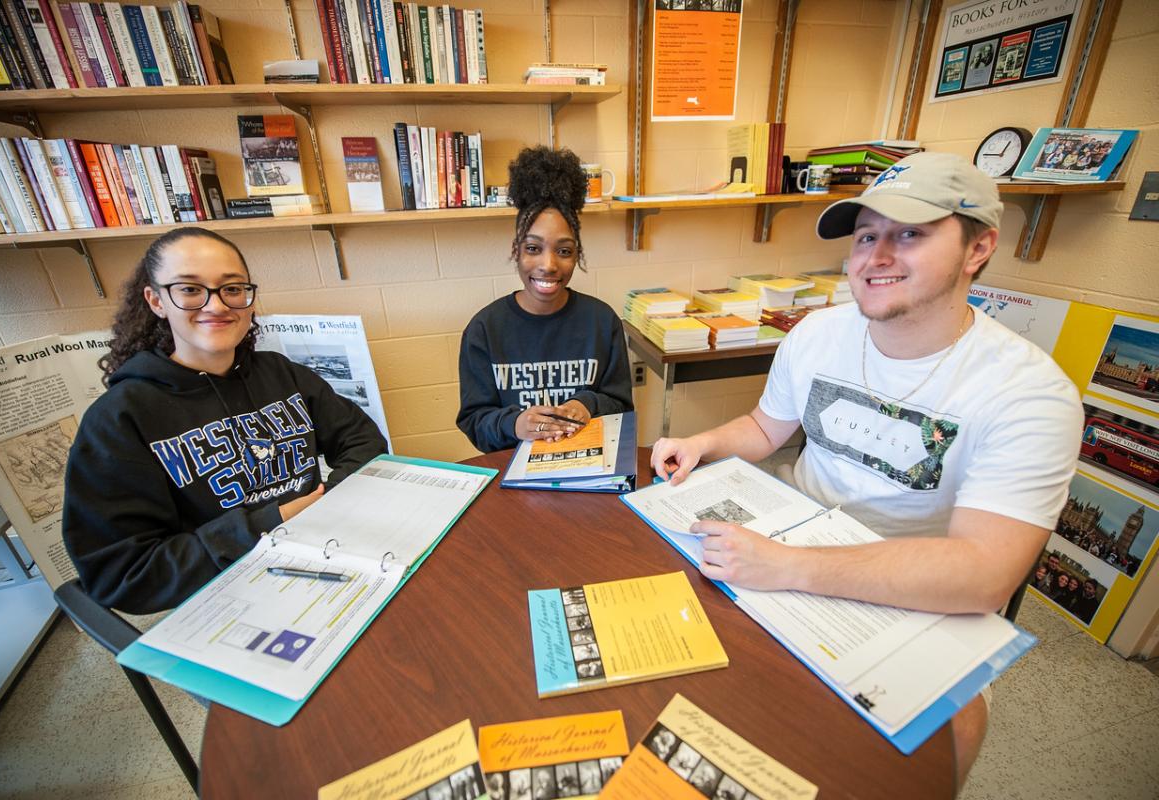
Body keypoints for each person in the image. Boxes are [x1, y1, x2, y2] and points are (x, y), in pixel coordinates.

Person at [649, 152, 1082, 785]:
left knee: (948, 737)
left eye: (909, 234)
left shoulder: (1030, 395)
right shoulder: (818, 332)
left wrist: (787, 566)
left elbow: (985, 574)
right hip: (793, 538)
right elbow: (769, 429)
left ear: (978, 248)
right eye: (866, 236)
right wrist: (703, 441)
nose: (876, 257)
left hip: (912, 588)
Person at [63, 227, 387, 614]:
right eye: (189, 289)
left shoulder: (281, 374)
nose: (217, 306)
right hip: (224, 592)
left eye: (232, 289)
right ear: (156, 300)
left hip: (326, 550)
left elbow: (363, 440)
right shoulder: (119, 418)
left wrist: (330, 500)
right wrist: (269, 522)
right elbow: (124, 575)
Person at [456, 146, 633, 453]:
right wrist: (515, 424)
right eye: (533, 248)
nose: (549, 265)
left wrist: (587, 403)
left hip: (588, 462)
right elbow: (474, 420)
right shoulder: (485, 329)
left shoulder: (602, 322)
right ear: (516, 251)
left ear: (577, 254)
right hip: (514, 467)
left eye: (564, 251)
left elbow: (621, 405)